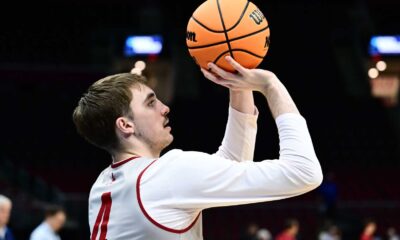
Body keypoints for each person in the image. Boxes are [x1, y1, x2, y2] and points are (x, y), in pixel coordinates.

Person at [73, 56, 323, 239]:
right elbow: (304, 171)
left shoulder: (104, 184)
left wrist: (240, 85)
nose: (164, 108)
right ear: (125, 125)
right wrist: (270, 84)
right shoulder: (167, 174)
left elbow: (230, 166)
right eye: (150, 103)